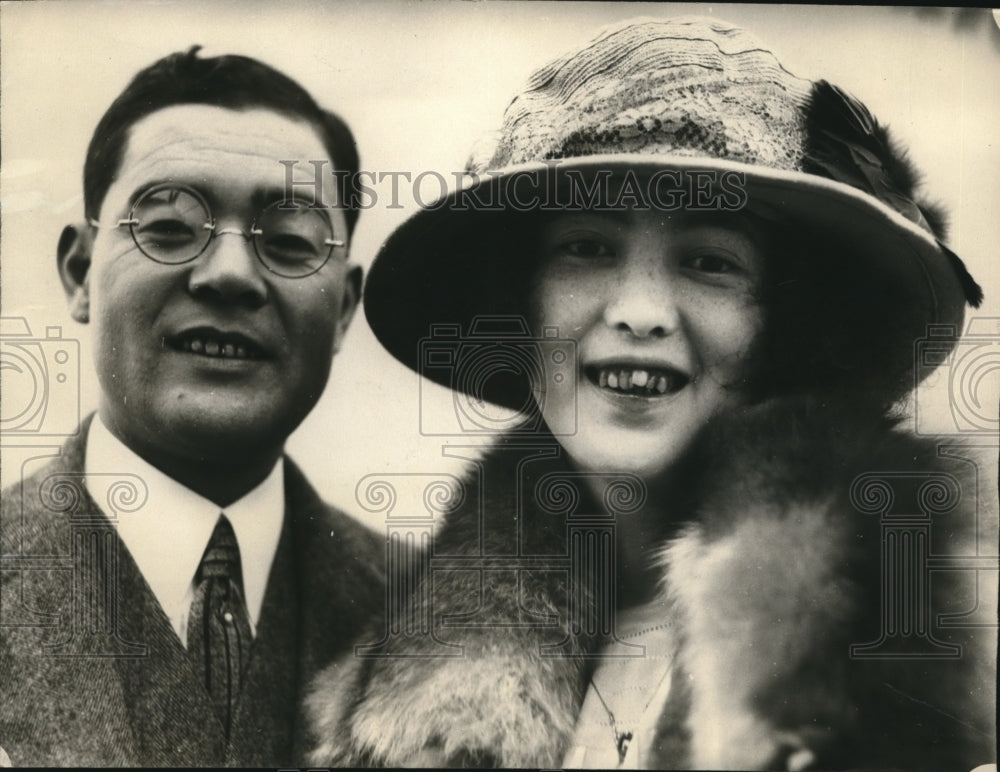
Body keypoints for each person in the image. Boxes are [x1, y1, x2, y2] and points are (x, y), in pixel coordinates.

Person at [307, 17, 996, 770]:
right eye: (588, 249)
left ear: (787, 326)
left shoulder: (936, 638)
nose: (640, 311)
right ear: (523, 310)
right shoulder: (404, 685)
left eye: (709, 261)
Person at [0, 47, 383, 766]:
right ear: (81, 273)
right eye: (171, 228)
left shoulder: (428, 615)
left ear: (342, 311)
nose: (231, 274)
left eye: (291, 242)